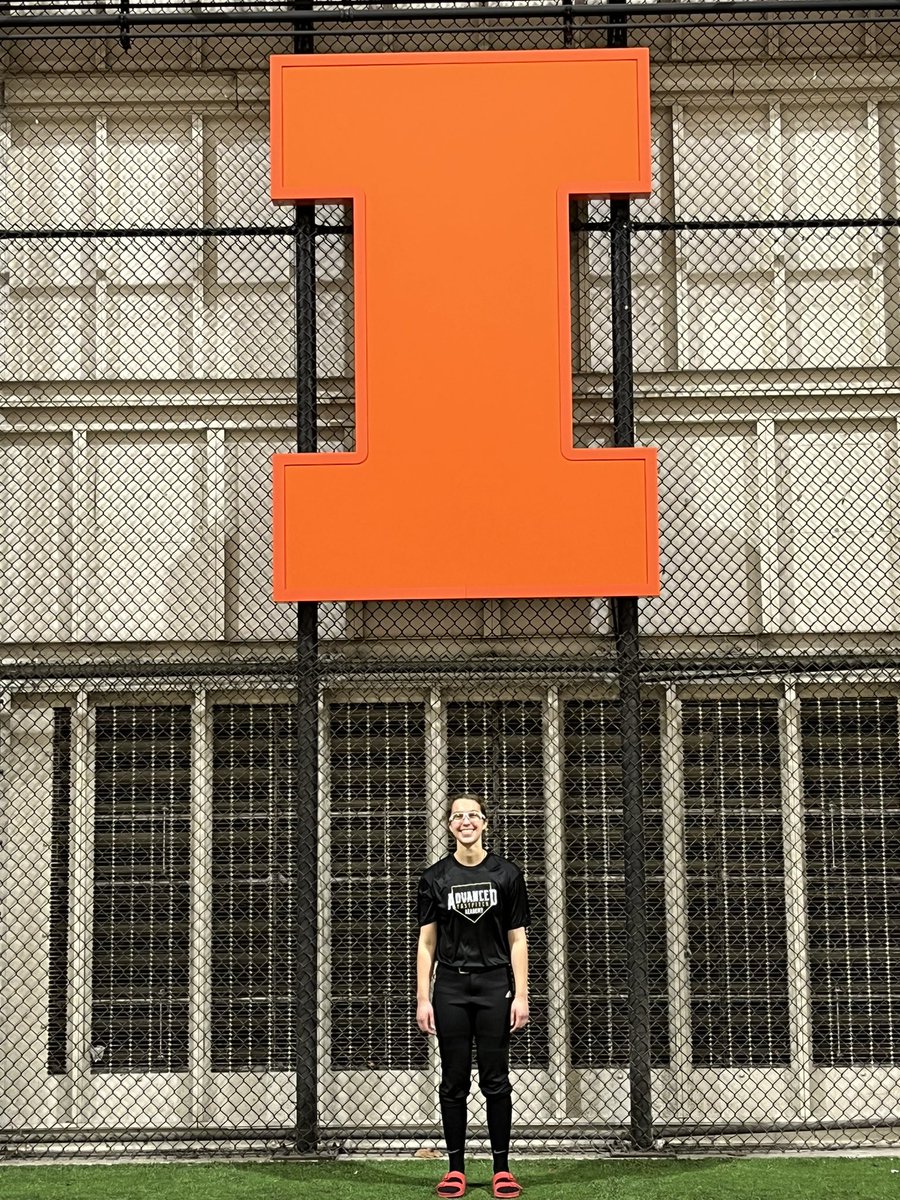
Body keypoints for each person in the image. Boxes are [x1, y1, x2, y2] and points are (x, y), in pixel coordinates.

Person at [416, 793, 531, 1199]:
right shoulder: (435, 877)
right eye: (457, 816)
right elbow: (426, 943)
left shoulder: (507, 874)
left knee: (495, 1080)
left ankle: (502, 1169)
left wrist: (521, 994)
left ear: (484, 822)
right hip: (450, 987)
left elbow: (517, 939)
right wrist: (423, 998)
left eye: (473, 815)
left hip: (494, 985)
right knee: (454, 1081)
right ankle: (455, 1169)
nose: (465, 822)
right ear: (449, 826)